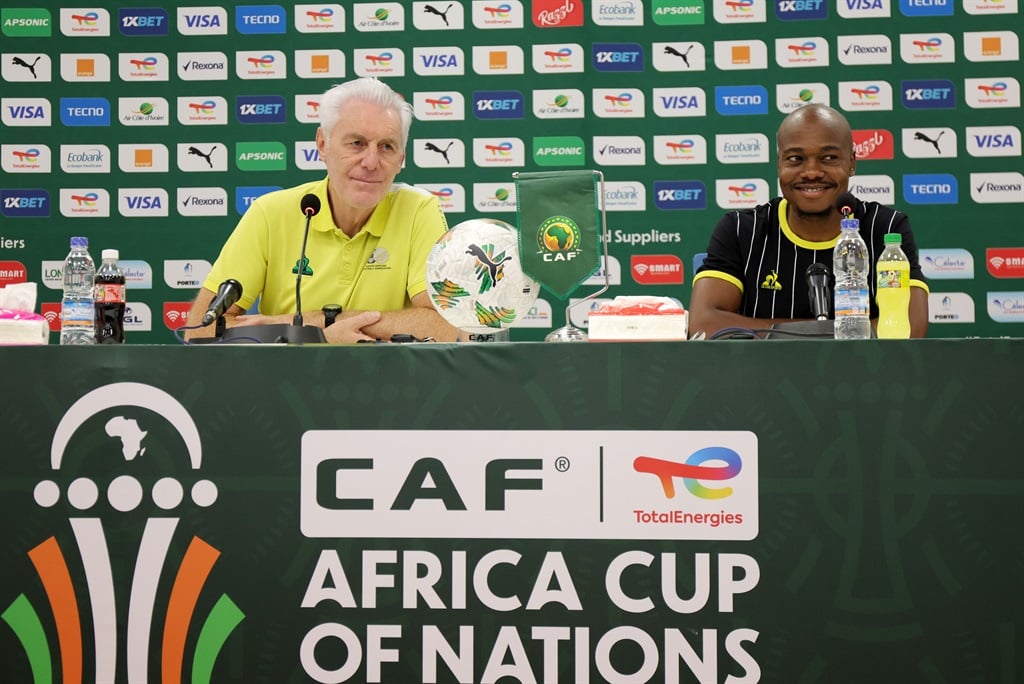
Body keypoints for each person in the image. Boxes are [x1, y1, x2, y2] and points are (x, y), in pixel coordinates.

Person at [185, 77, 459, 343]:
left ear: (401, 159)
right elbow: (201, 331)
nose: (371, 162)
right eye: (357, 143)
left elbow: (445, 326)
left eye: (387, 146)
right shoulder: (271, 213)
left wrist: (316, 324)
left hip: (386, 385)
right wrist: (325, 336)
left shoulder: (419, 210)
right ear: (322, 144)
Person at [689, 103, 929, 339]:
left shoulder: (885, 228)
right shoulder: (741, 230)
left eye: (828, 158)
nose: (812, 172)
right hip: (762, 377)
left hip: (863, 376)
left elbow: (908, 326)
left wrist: (784, 335)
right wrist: (833, 334)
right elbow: (704, 323)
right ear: (779, 163)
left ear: (852, 162)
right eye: (795, 158)